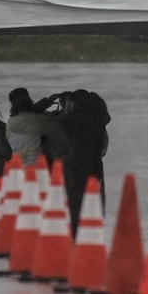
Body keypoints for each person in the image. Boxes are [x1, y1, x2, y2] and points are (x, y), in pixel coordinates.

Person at [53, 89, 112, 231]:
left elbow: (57, 142)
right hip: (95, 171)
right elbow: (103, 150)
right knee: (91, 209)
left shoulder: (72, 122)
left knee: (74, 212)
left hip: (74, 171)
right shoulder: (99, 124)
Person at [5, 86, 71, 169]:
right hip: (37, 166)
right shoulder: (39, 120)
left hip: (17, 167)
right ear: (29, 100)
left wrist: (48, 101)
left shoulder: (11, 121)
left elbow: (29, 112)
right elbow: (60, 140)